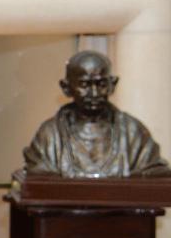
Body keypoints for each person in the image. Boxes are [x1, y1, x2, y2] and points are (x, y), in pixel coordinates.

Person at [21, 50, 170, 178]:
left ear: (112, 85)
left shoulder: (134, 133)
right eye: (84, 84)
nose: (94, 93)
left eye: (101, 84)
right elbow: (38, 172)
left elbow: (154, 172)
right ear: (66, 87)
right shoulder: (49, 135)